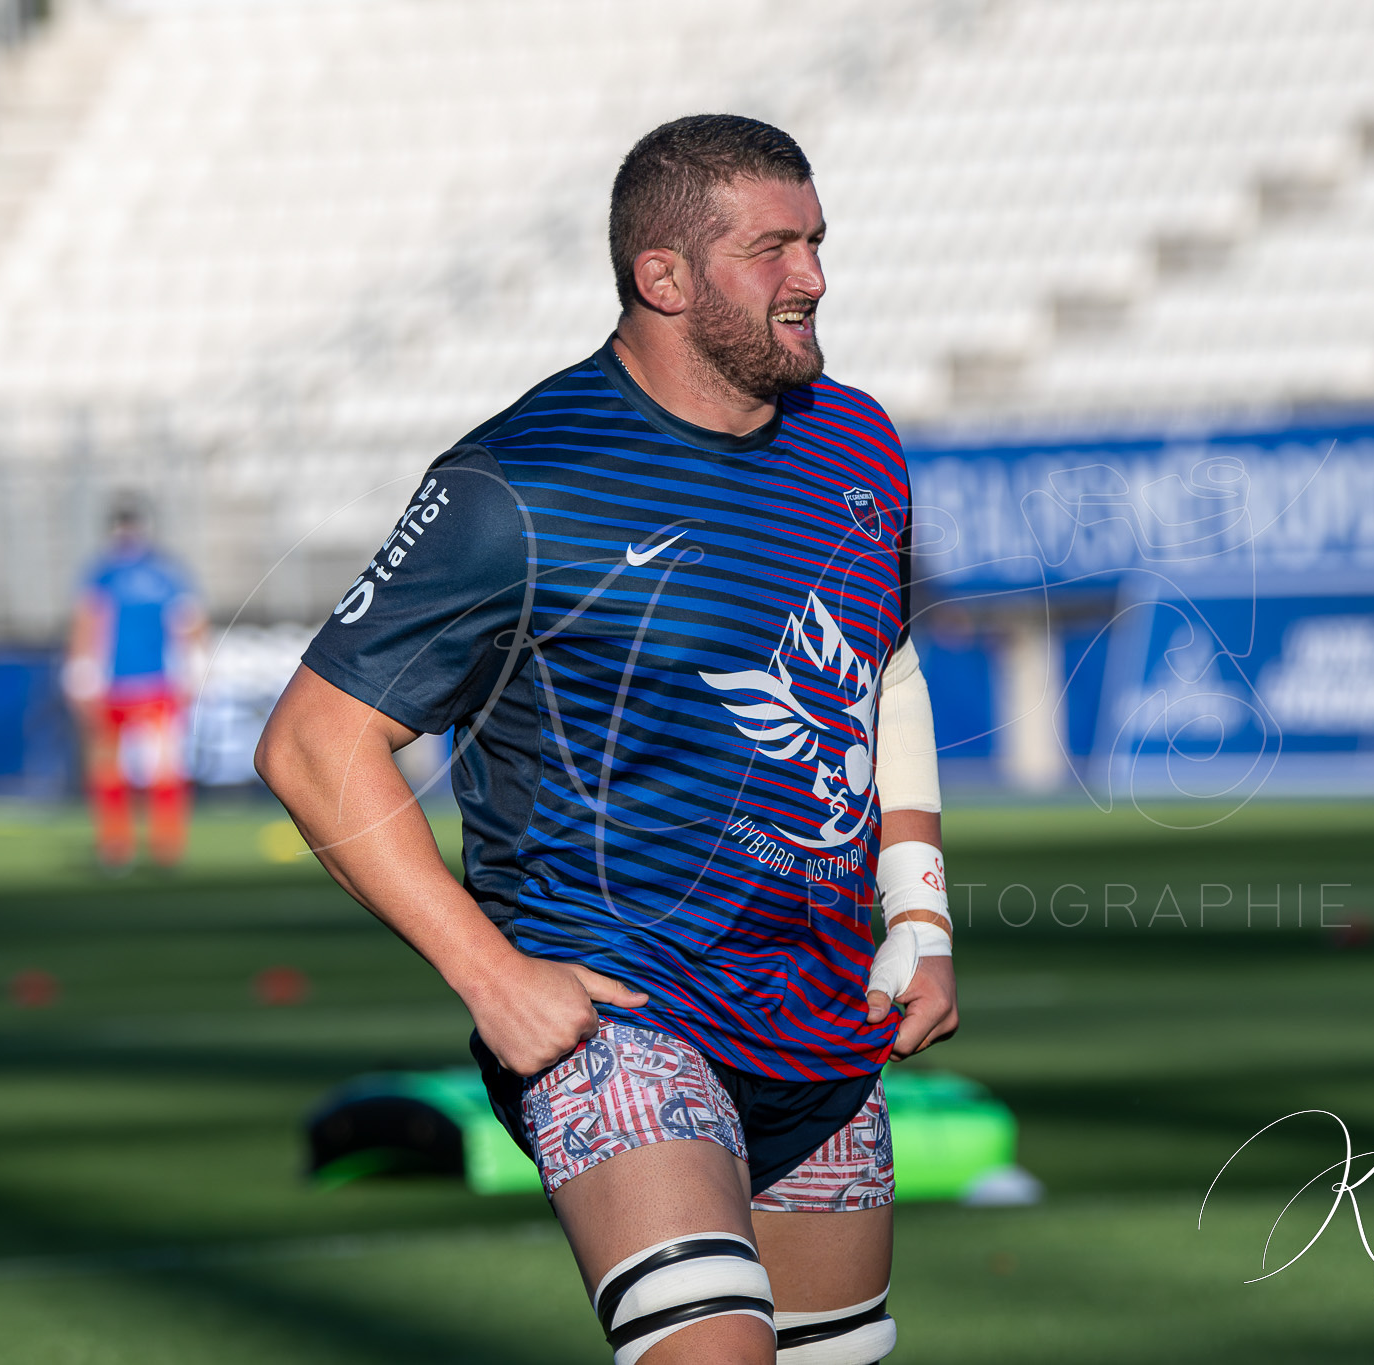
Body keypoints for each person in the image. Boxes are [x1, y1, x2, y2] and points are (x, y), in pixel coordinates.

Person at [258, 114, 956, 1365]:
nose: (811, 277)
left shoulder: (859, 443)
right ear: (664, 277)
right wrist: (489, 976)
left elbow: (880, 665)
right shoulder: (520, 484)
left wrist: (919, 917)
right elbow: (315, 747)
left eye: (815, 242)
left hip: (823, 1020)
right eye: (771, 249)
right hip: (622, 1016)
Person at [64, 494, 204, 869]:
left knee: (129, 768)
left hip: (135, 686)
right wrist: (194, 672)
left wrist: (79, 676)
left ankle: (128, 847)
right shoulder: (163, 573)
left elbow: (86, 625)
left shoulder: (106, 573)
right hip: (140, 687)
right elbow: (190, 626)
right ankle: (149, 846)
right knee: (144, 769)